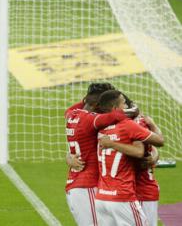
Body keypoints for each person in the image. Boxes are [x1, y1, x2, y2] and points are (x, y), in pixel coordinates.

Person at [94, 90, 164, 226]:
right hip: (125, 195)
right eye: (124, 103)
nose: (127, 106)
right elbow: (156, 143)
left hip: (102, 196)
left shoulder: (100, 129)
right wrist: (153, 123)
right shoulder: (130, 125)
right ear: (116, 108)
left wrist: (154, 155)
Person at [65, 83, 129, 226]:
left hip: (80, 184)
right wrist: (133, 109)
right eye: (104, 104)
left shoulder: (71, 114)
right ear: (96, 104)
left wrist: (68, 156)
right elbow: (119, 114)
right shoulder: (91, 119)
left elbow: (79, 106)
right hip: (86, 187)